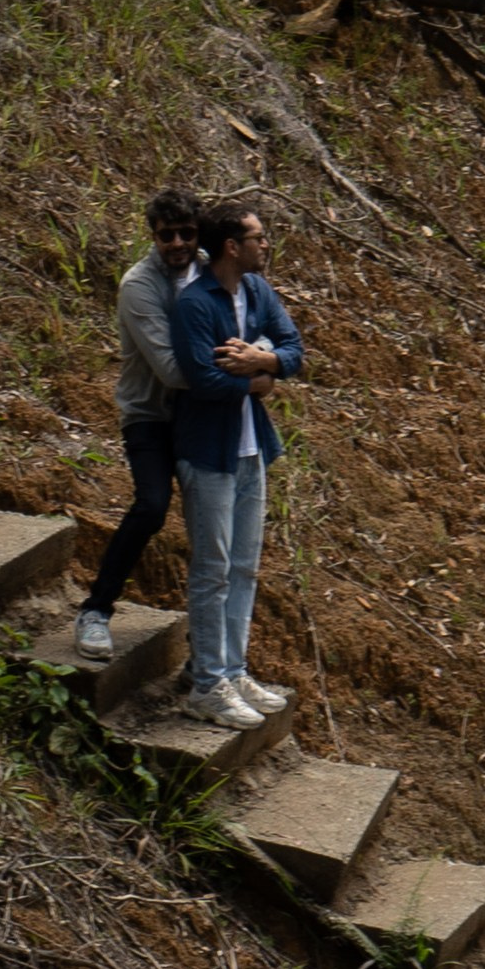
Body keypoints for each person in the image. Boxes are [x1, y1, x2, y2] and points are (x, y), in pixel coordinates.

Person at [167, 198, 302, 724]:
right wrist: (259, 381)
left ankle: (232, 668)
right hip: (208, 452)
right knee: (213, 571)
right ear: (231, 246)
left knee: (243, 567)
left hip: (251, 451)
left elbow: (294, 349)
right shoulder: (195, 304)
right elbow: (203, 379)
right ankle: (207, 685)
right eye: (257, 237)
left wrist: (261, 359)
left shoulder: (258, 291)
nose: (265, 245)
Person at [75, 188, 202, 662]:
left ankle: (207, 646)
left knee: (212, 522)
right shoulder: (139, 285)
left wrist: (262, 354)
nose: (177, 244)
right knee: (151, 506)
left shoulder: (212, 270)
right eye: (167, 235)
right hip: (149, 415)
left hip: (199, 415)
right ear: (153, 236)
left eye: (186, 233)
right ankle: (95, 610)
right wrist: (240, 368)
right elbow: (170, 369)